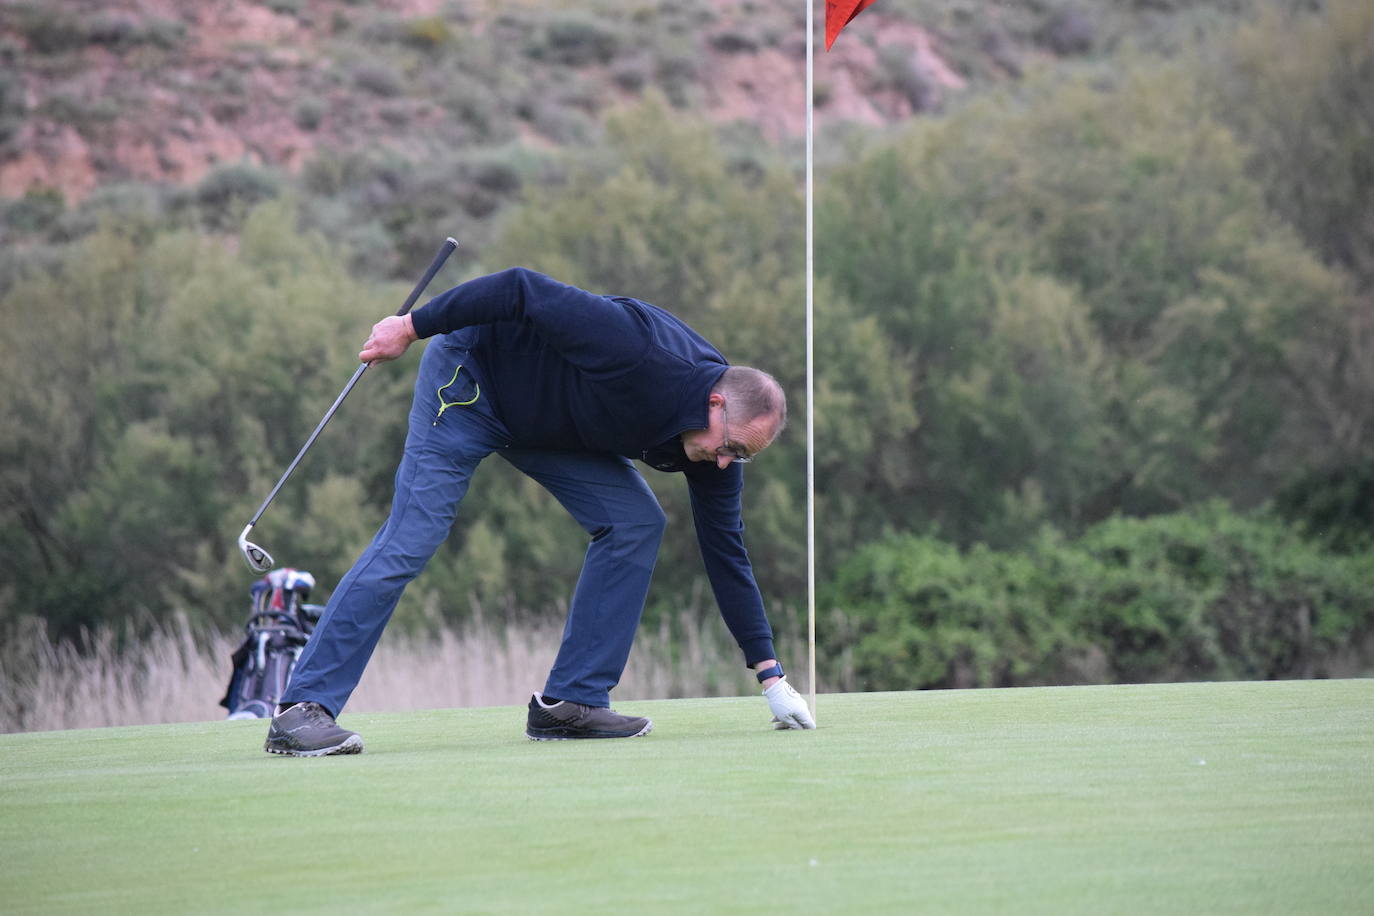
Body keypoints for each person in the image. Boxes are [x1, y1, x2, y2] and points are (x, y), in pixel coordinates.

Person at [264, 267, 815, 756]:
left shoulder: (712, 447)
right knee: (414, 536)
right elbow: (518, 287)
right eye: (730, 448)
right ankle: (301, 710)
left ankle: (571, 705)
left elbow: (726, 552)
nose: (725, 464)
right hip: (470, 385)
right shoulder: (639, 351)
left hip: (546, 425)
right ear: (716, 402)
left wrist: (771, 678)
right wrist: (410, 328)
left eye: (739, 457)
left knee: (635, 522)